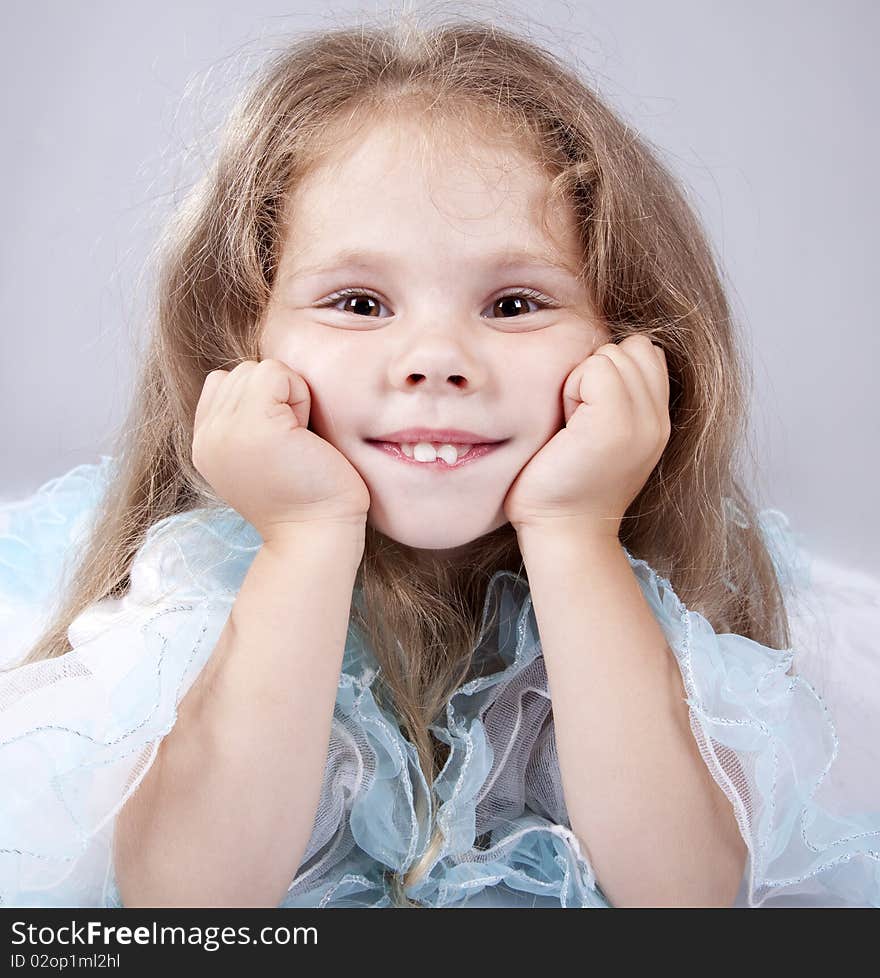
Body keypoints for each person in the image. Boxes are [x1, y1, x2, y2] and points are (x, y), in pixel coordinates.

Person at [1, 12, 878, 909]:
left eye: (512, 303)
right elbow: (187, 912)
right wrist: (305, 537)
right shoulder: (197, 592)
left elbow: (687, 900)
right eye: (357, 301)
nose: (435, 358)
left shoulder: (640, 591)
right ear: (244, 337)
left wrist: (575, 533)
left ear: (630, 345)